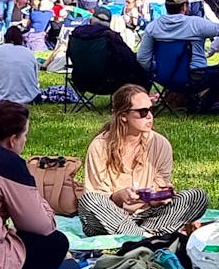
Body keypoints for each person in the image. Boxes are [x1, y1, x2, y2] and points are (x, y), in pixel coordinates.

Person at [78, 84, 208, 237]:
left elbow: (159, 187)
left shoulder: (160, 144)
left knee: (198, 196)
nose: (149, 116)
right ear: (123, 116)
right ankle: (146, 235)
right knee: (90, 200)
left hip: (149, 215)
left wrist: (160, 196)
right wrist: (119, 197)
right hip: (111, 216)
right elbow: (97, 195)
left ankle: (141, 235)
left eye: (151, 110)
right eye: (142, 112)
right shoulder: (100, 146)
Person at [0, 99, 68, 269]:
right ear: (12, 139)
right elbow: (41, 226)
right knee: (55, 243)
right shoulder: (8, 164)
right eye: (25, 136)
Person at [0, 26, 41, 104]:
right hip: (31, 97)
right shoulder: (29, 53)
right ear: (21, 39)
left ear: (5, 38)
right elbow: (35, 79)